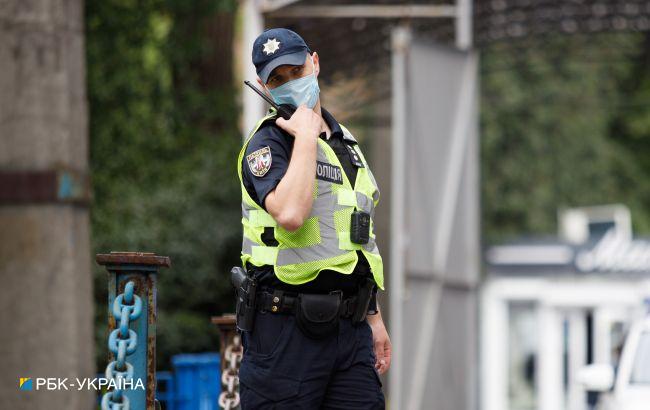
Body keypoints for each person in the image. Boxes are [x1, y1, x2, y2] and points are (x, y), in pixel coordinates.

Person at [236, 27, 391, 409]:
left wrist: (373, 317)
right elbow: (290, 214)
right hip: (285, 333)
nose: (291, 83)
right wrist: (305, 138)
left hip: (350, 330)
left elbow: (358, 237)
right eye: (278, 79)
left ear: (315, 63)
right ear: (264, 86)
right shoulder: (267, 143)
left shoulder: (346, 143)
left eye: (297, 70)